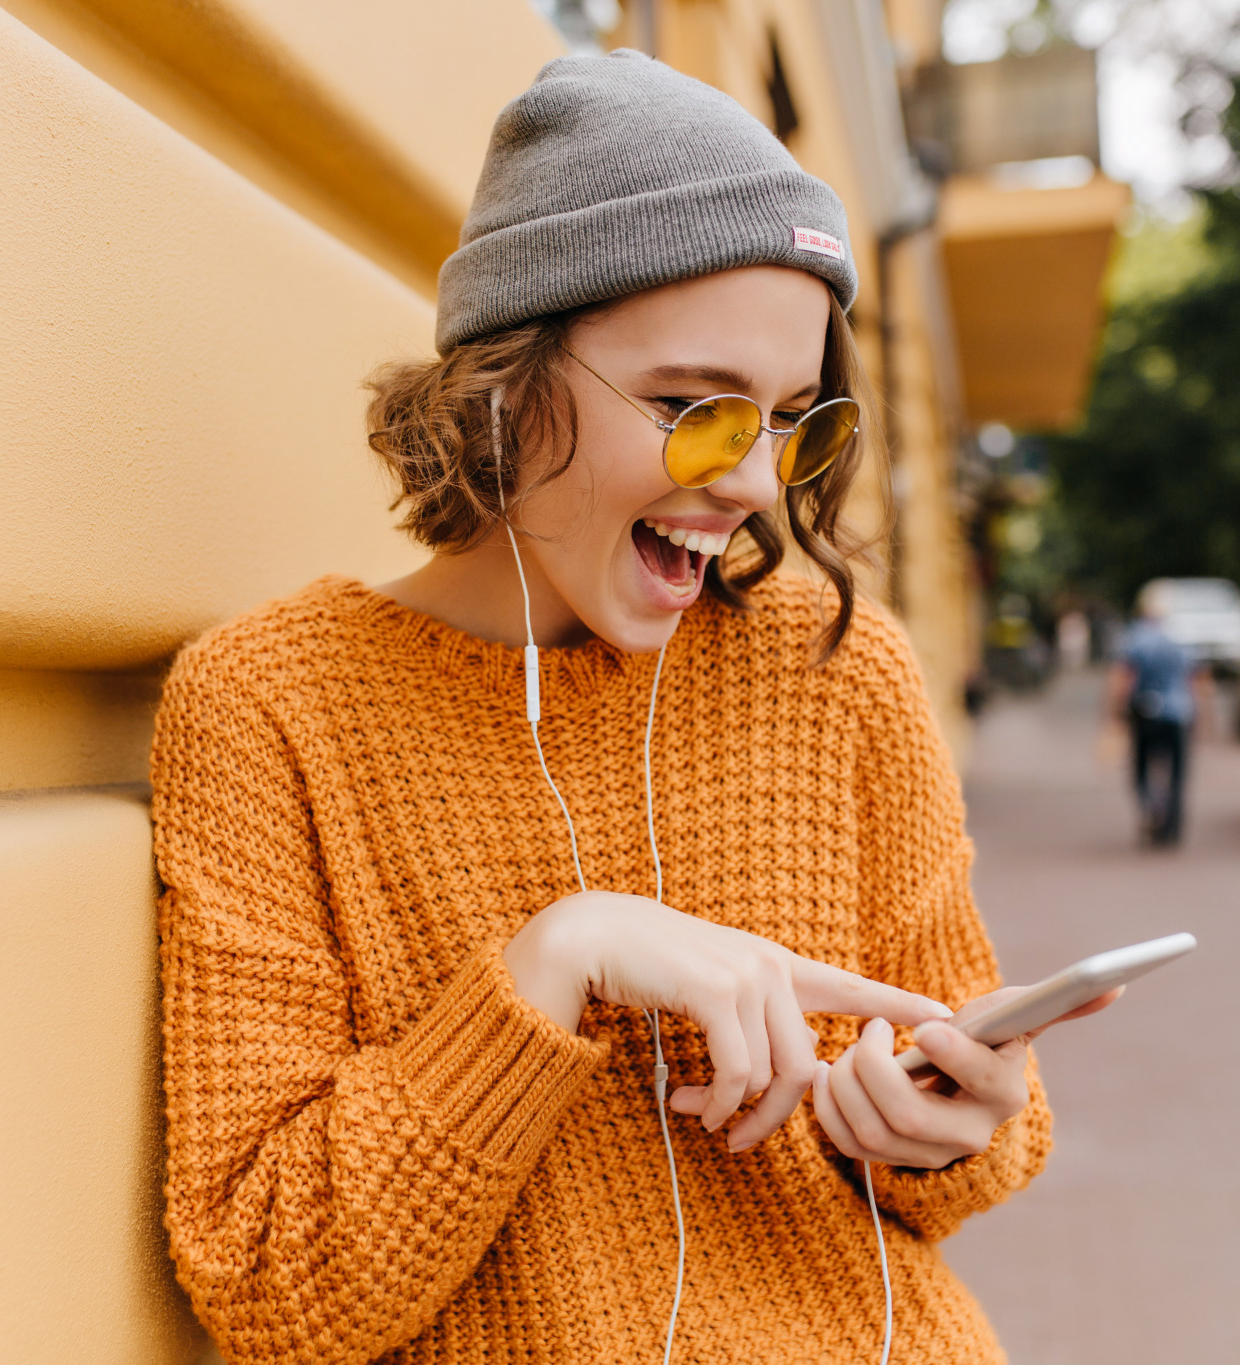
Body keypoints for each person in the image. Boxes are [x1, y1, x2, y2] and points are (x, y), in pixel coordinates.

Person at [151, 52, 1114, 1365]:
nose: (758, 487)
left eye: (792, 423)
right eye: (694, 410)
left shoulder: (842, 673)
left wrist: (960, 1117)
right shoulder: (272, 706)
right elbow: (274, 1286)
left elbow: (963, 1156)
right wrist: (556, 962)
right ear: (506, 376)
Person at [1105, 582, 1215, 846]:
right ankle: (1172, 827)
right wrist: (1203, 716)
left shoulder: (1134, 637)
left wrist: (1115, 711)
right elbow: (1197, 681)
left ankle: (1151, 805)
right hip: (1179, 713)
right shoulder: (1182, 638)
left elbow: (1124, 676)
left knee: (1142, 766)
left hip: (1145, 712)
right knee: (1177, 773)